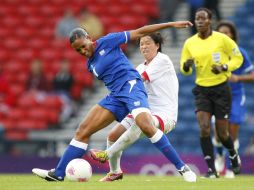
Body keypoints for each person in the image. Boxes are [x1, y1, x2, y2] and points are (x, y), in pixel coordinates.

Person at [32, 20, 194, 182]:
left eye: (83, 45)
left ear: (89, 37)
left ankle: (182, 167)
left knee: (145, 125)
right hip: (116, 95)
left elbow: (140, 31)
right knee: (83, 130)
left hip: (131, 87)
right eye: (78, 50)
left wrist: (171, 24)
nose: (82, 50)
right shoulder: (91, 64)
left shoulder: (107, 41)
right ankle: (59, 173)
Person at [89, 32, 196, 182]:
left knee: (141, 123)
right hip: (145, 111)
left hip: (165, 114)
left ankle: (182, 168)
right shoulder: (139, 67)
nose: (144, 46)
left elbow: (139, 79)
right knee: (113, 135)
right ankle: (115, 172)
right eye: (141, 44)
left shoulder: (162, 60)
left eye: (147, 43)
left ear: (157, 45)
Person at [180, 8, 243, 178]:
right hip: (202, 90)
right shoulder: (190, 43)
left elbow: (238, 58)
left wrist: (224, 67)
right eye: (197, 19)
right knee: (204, 128)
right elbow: (183, 69)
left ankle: (232, 153)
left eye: (203, 19)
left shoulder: (222, 39)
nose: (199, 21)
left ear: (210, 21)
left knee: (222, 134)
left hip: (221, 89)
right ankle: (211, 169)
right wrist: (186, 66)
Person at [213, 21, 254, 178]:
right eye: (221, 32)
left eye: (227, 32)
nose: (224, 35)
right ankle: (218, 157)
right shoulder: (212, 52)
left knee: (232, 132)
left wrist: (238, 78)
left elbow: (252, 75)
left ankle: (231, 167)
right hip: (216, 95)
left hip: (236, 96)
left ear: (233, 35)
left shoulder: (240, 52)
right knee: (218, 133)